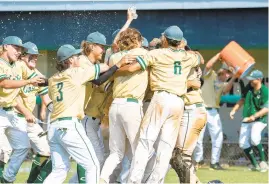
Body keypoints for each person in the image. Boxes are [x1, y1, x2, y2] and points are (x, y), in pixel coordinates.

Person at [120, 25, 202, 183]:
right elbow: (200, 58)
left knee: (145, 141)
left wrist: (116, 70)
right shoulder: (188, 56)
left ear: (165, 39)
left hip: (161, 98)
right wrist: (185, 50)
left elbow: (133, 69)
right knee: (166, 146)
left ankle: (134, 181)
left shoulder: (156, 53)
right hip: (178, 101)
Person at [43, 44, 110, 184]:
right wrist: (117, 63)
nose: (79, 57)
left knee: (59, 170)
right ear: (70, 60)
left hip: (54, 127)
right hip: (69, 126)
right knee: (93, 165)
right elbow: (103, 68)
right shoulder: (76, 73)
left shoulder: (54, 78)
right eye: (76, 56)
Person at [100, 27, 149, 184]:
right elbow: (135, 67)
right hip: (132, 105)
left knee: (116, 153)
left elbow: (112, 69)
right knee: (139, 150)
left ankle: (101, 179)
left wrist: (118, 69)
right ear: (137, 40)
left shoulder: (115, 57)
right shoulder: (143, 53)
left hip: (115, 106)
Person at [0, 36, 44, 183]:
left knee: (22, 147)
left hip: (11, 112)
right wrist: (28, 81)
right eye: (16, 48)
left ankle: (7, 179)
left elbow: (38, 79)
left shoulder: (19, 65)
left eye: (20, 50)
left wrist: (62, 79)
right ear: (6, 46)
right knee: (3, 150)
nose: (19, 52)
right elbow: (5, 83)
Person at [170, 38, 206, 184]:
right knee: (177, 157)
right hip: (191, 110)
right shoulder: (189, 60)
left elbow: (194, 82)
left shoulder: (188, 61)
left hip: (193, 109)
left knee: (181, 157)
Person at [17, 42, 53, 183]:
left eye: (37, 56)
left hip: (29, 121)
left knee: (46, 151)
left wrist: (57, 113)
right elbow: (12, 99)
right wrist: (26, 112)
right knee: (5, 153)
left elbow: (46, 99)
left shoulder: (38, 75)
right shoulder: (14, 72)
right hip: (10, 117)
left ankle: (31, 182)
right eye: (31, 56)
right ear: (22, 56)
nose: (35, 59)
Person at [193, 53, 236, 170]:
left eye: (229, 73)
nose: (227, 75)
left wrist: (234, 76)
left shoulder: (224, 83)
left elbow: (227, 90)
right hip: (200, 109)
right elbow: (208, 65)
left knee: (218, 137)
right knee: (198, 138)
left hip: (213, 112)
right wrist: (219, 55)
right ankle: (198, 160)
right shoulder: (210, 75)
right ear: (222, 71)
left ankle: (214, 162)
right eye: (227, 72)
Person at [230, 70, 268, 172]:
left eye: (253, 79)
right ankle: (255, 165)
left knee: (255, 139)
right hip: (247, 119)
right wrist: (234, 110)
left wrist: (254, 116)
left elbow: (266, 109)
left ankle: (263, 162)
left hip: (260, 119)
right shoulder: (249, 88)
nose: (250, 81)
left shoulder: (265, 91)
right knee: (243, 144)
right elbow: (242, 100)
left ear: (259, 79)